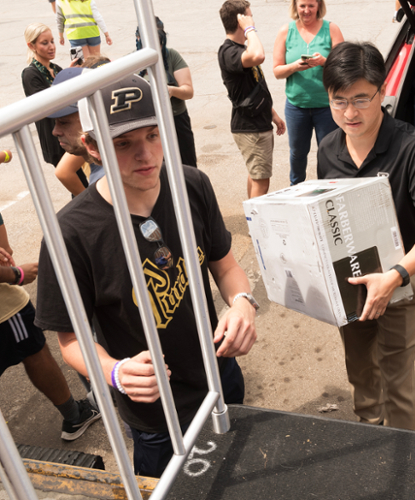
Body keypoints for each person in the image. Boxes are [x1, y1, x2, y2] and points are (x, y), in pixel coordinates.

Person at [34, 74, 259, 478]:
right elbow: (69, 338)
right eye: (124, 144)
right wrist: (113, 371)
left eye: (153, 135)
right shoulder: (70, 233)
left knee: (237, 474)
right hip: (155, 413)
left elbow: (225, 265)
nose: (146, 155)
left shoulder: (191, 184)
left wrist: (243, 302)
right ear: (92, 147)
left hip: (221, 377)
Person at [317, 42, 415, 430]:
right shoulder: (328, 149)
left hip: (403, 275)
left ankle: (402, 458)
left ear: (383, 91)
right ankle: (368, 432)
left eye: (361, 98)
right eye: (338, 101)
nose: (349, 112)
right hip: (353, 274)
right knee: (359, 367)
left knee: (397, 378)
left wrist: (394, 276)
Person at [1, 214, 101, 441]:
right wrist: (17, 274)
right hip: (5, 311)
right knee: (35, 353)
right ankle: (74, 416)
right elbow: (5, 251)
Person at [218, 0, 286, 199]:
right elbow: (259, 55)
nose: (252, 19)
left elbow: (255, 87)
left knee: (255, 176)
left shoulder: (239, 50)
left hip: (258, 122)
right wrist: (249, 29)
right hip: (251, 128)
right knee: (261, 180)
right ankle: (257, 227)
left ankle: (252, 222)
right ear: (240, 20)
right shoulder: (229, 52)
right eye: (249, 15)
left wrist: (272, 114)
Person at [272, 0, 343, 185]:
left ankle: (329, 190)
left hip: (326, 106)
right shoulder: (286, 31)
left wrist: (324, 62)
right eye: (302, 5)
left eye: (311, 5)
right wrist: (295, 66)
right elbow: (277, 71)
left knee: (329, 153)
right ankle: (296, 189)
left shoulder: (332, 29)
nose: (306, 10)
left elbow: (344, 67)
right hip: (297, 106)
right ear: (295, 6)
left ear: (319, 6)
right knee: (297, 153)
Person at [136, 17, 198, 167]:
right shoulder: (133, 60)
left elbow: (188, 91)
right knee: (158, 168)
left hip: (176, 120)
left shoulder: (171, 56)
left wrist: (171, 90)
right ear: (138, 38)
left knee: (187, 166)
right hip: (148, 125)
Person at [49, 66, 106, 196]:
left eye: (63, 122)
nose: (55, 131)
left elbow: (63, 172)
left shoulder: (108, 183)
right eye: (55, 122)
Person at [22, 23, 67, 169]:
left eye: (52, 41)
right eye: (45, 43)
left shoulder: (57, 69)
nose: (51, 46)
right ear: (32, 46)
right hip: (55, 140)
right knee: (77, 184)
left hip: (72, 134)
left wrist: (73, 75)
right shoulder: (30, 74)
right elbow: (46, 105)